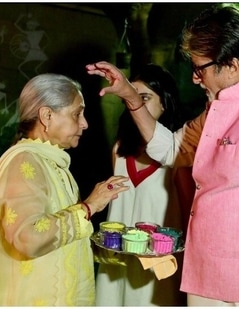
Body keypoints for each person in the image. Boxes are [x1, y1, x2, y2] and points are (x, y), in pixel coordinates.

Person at [86, 6, 239, 306]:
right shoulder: (219, 107)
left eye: (201, 69)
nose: (195, 79)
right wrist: (131, 96)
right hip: (208, 274)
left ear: (233, 65)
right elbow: (171, 149)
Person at [0, 73, 130, 306]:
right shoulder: (24, 161)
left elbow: (64, 238)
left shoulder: (53, 163)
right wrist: (88, 207)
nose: (85, 123)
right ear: (47, 116)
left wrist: (115, 249)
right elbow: (28, 237)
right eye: (77, 113)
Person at [95, 64, 186, 306]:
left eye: (144, 97)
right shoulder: (120, 150)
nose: (135, 104)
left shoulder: (180, 156)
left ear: (165, 102)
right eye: (130, 97)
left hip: (158, 272)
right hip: (117, 266)